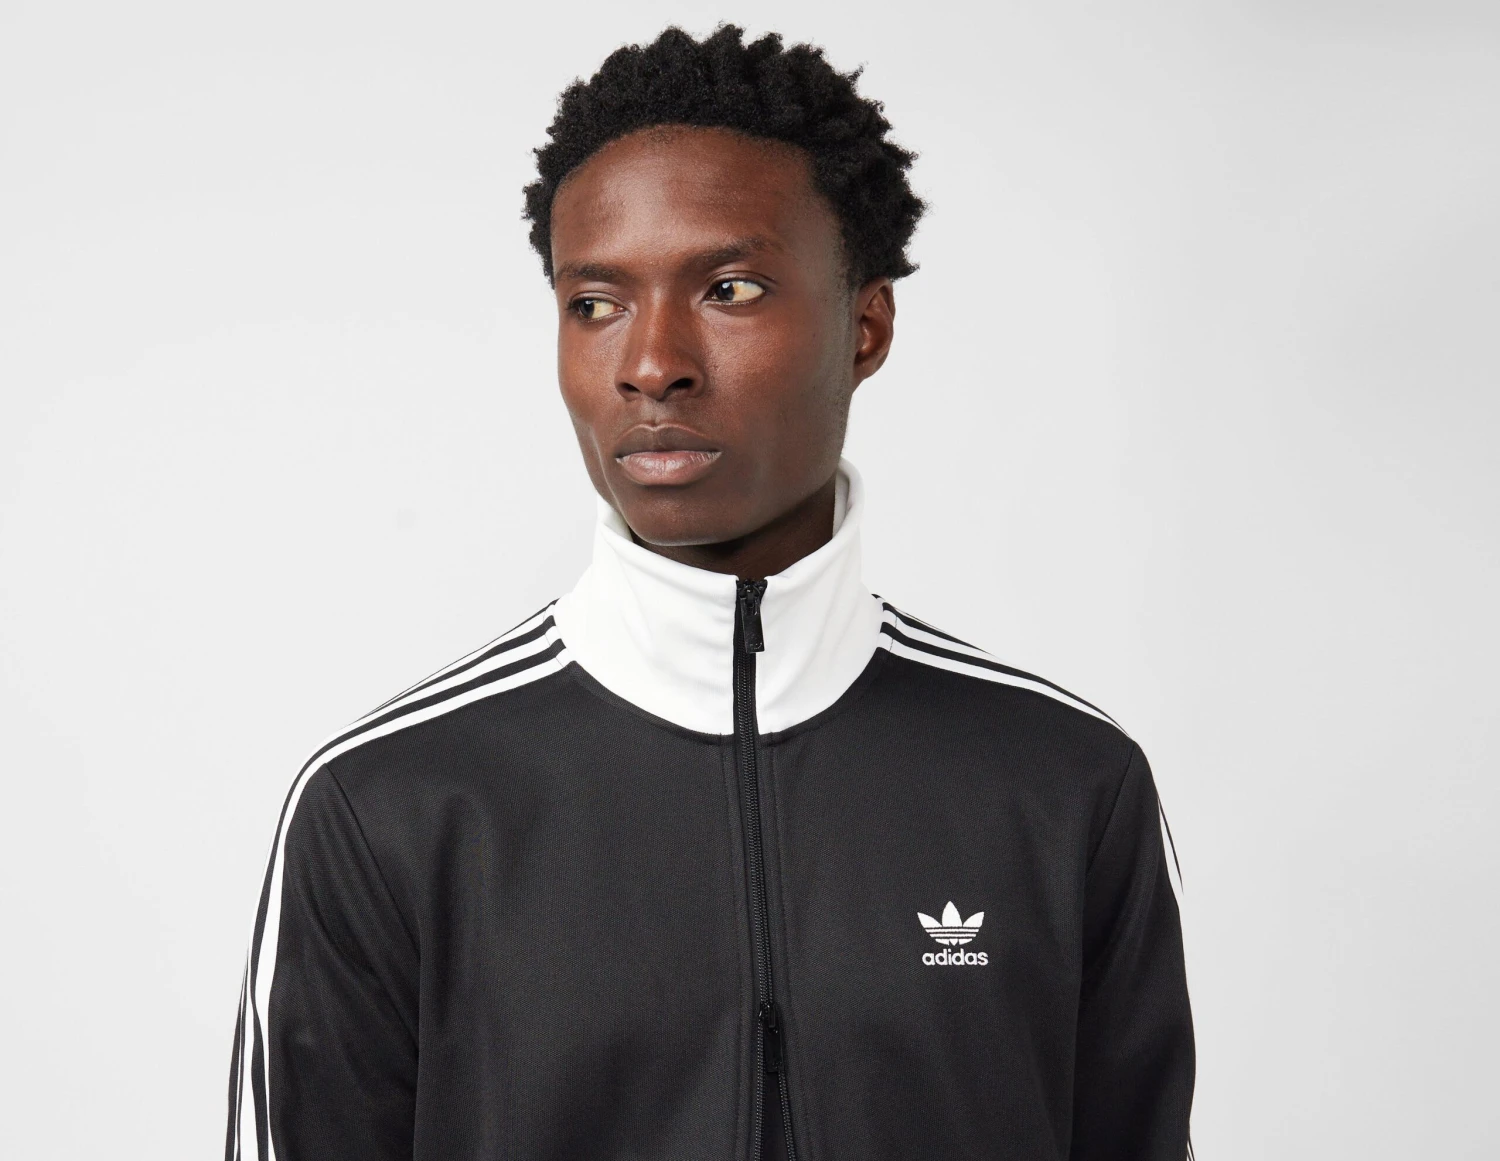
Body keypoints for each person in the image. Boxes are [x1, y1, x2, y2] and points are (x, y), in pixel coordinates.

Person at [226, 24, 1194, 1161]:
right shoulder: (388, 807)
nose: (652, 364)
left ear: (866, 327)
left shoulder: (1065, 786)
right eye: (596, 303)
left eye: (730, 288)